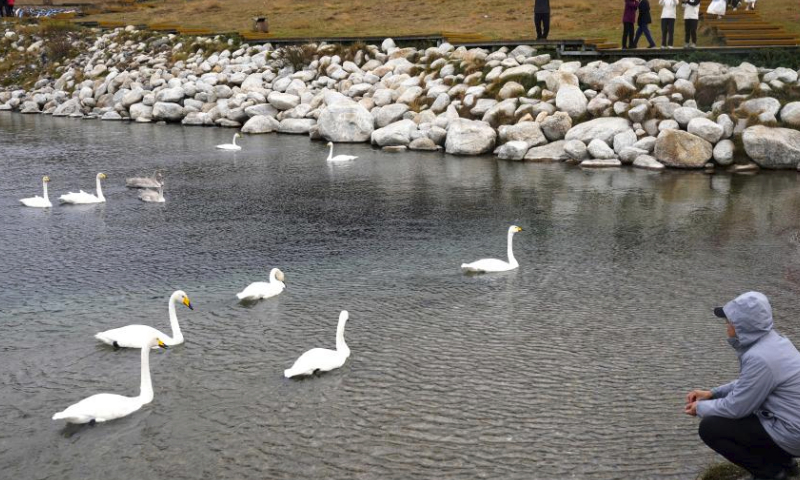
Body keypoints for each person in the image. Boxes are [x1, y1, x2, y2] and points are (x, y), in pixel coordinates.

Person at [685, 292, 800, 480]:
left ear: (743, 326)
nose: (726, 325)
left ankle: (771, 474)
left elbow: (736, 407)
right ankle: (785, 463)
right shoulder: (775, 342)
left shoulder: (759, 357)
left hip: (793, 434)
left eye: (730, 321)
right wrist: (712, 393)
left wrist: (700, 407)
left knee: (710, 428)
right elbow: (749, 385)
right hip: (793, 426)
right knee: (754, 410)